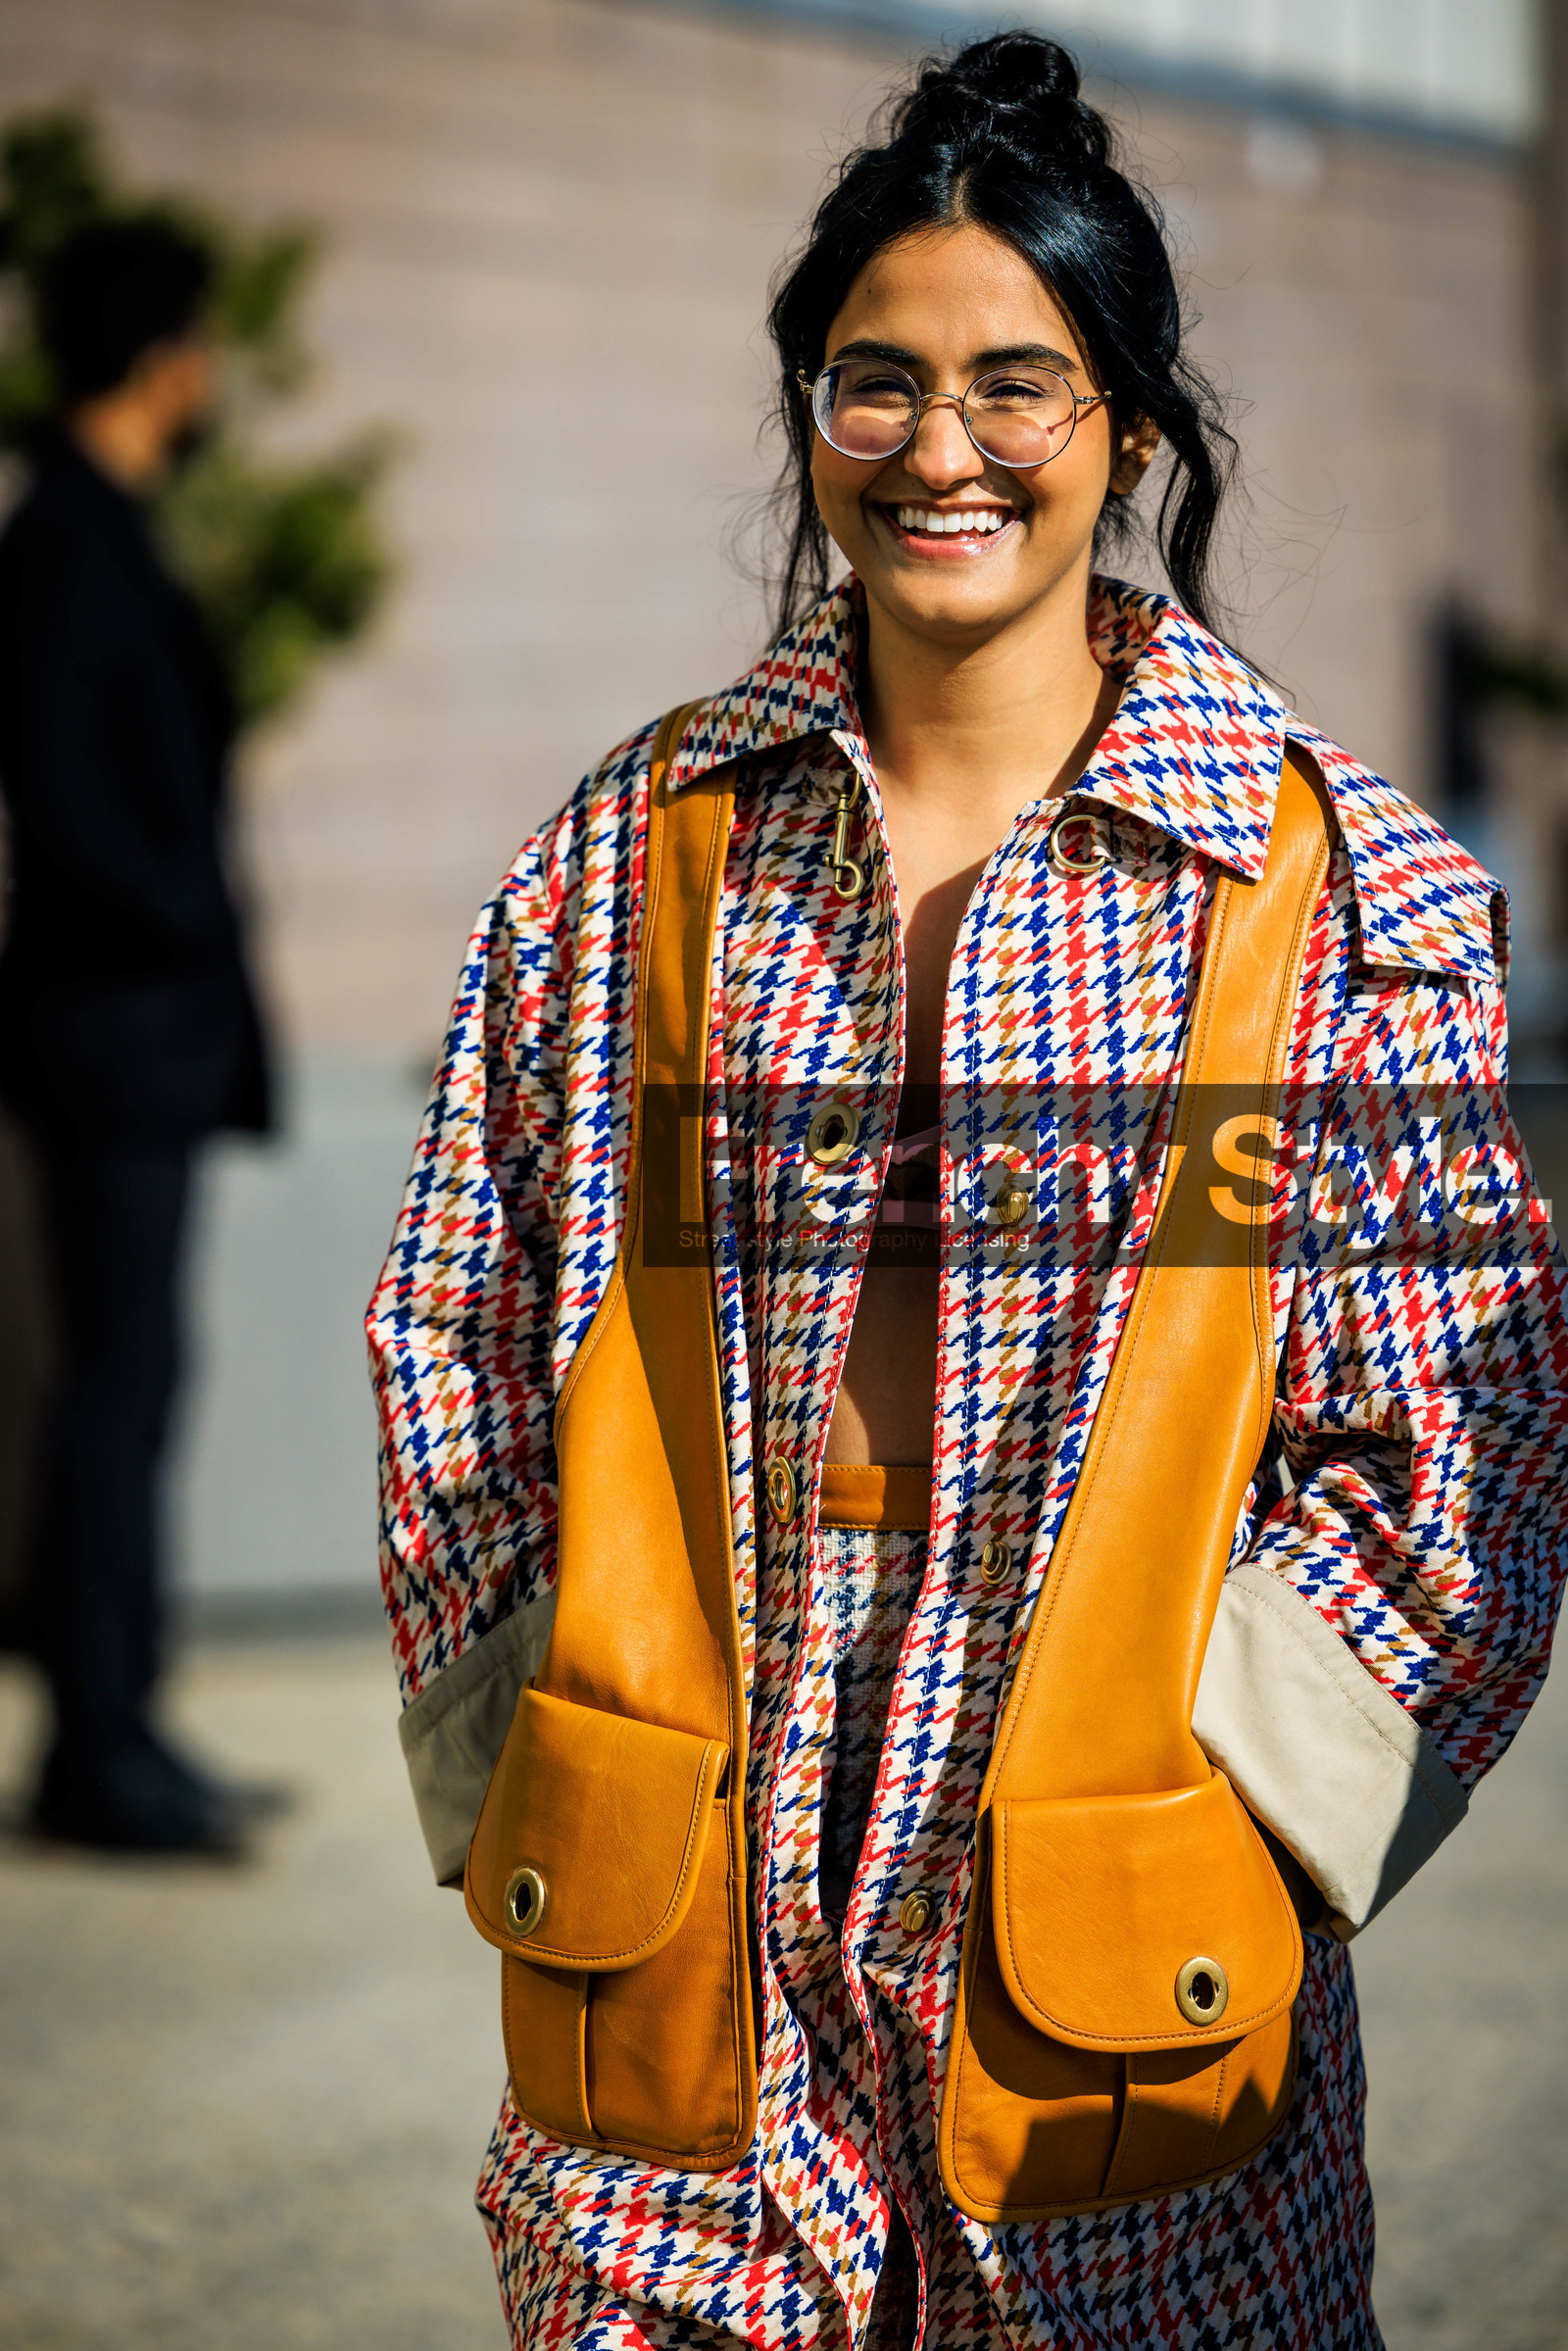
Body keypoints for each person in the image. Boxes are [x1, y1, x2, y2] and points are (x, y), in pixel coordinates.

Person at [368, 35, 1568, 2348]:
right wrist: (539, 1735)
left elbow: (1462, 1438)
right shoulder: (622, 865)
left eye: (1015, 384)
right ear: (805, 412)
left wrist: (1239, 1811)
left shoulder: (1342, 899)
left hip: (1112, 1965)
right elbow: (451, 1315)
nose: (938, 448)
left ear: (1127, 426)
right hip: (674, 1945)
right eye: (871, 384)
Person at [0, 219, 273, 1854]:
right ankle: (99, 1746)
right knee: (115, 1384)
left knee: (129, 1377)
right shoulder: (67, 547)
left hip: (129, 1031)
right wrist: (187, 923)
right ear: (167, 356)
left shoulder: (94, 534)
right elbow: (82, 811)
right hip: (114, 1033)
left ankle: (119, 1725)